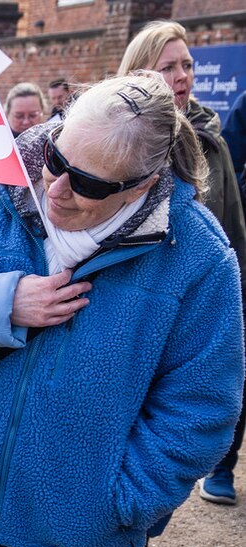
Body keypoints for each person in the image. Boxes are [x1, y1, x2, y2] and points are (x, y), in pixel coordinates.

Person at [0, 73, 243, 547]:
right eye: (56, 158)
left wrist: (125, 504)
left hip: (83, 534)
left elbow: (203, 403)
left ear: (142, 186)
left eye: (89, 183)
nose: (56, 187)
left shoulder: (198, 257)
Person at [120, 20, 246, 508]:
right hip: (131, 295)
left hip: (192, 293)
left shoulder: (212, 139)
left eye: (188, 65)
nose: (182, 76)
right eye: (168, 66)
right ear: (139, 72)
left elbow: (230, 225)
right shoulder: (117, 134)